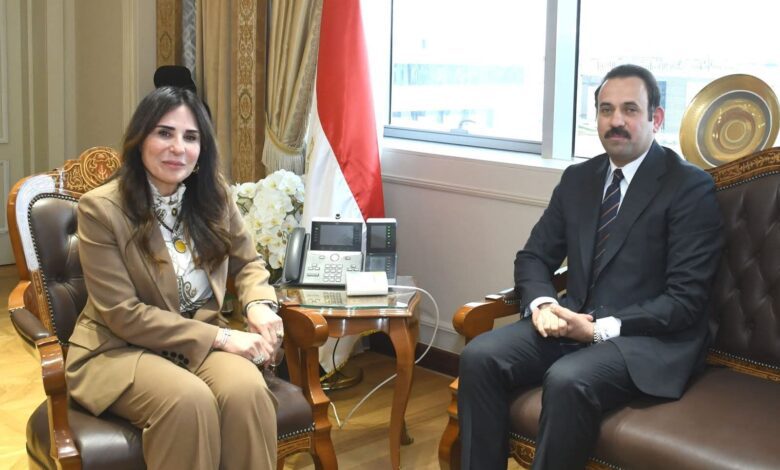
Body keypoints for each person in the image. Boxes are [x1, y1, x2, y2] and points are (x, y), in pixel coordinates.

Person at [457, 64, 724, 469]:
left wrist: (599, 329)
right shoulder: (579, 178)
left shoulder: (689, 187)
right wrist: (544, 305)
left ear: (656, 118)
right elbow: (533, 257)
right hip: (571, 321)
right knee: (479, 356)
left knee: (568, 379)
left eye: (630, 109)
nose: (616, 121)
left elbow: (684, 301)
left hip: (646, 340)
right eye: (606, 109)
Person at [65, 86, 281, 469]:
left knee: (247, 390)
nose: (178, 147)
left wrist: (259, 305)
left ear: (202, 149)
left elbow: (248, 262)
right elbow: (123, 314)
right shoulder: (100, 209)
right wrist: (223, 337)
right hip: (118, 349)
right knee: (188, 400)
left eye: (191, 137)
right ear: (140, 139)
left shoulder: (214, 197)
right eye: (164, 133)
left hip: (193, 344)